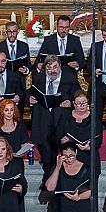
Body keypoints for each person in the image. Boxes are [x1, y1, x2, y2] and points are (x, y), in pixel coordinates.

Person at [29, 54, 80, 183]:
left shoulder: (70, 78)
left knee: (61, 149)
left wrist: (71, 102)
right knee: (45, 152)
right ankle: (48, 178)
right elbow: (30, 93)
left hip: (61, 119)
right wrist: (30, 99)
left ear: (60, 66)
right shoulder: (38, 78)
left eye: (55, 67)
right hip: (43, 119)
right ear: (45, 68)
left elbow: (79, 94)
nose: (53, 70)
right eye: (49, 68)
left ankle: (61, 180)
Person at [45, 142, 92, 212]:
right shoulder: (58, 168)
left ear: (76, 153)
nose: (69, 159)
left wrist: (78, 197)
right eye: (65, 156)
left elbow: (91, 191)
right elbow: (50, 187)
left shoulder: (86, 168)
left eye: (71, 156)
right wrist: (57, 167)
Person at [57, 90, 103, 177]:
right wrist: (62, 140)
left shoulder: (95, 118)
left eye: (84, 103)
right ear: (73, 104)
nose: (82, 105)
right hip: (70, 158)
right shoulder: (66, 117)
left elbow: (99, 140)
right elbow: (56, 136)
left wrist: (89, 147)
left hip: (90, 157)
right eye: (78, 103)